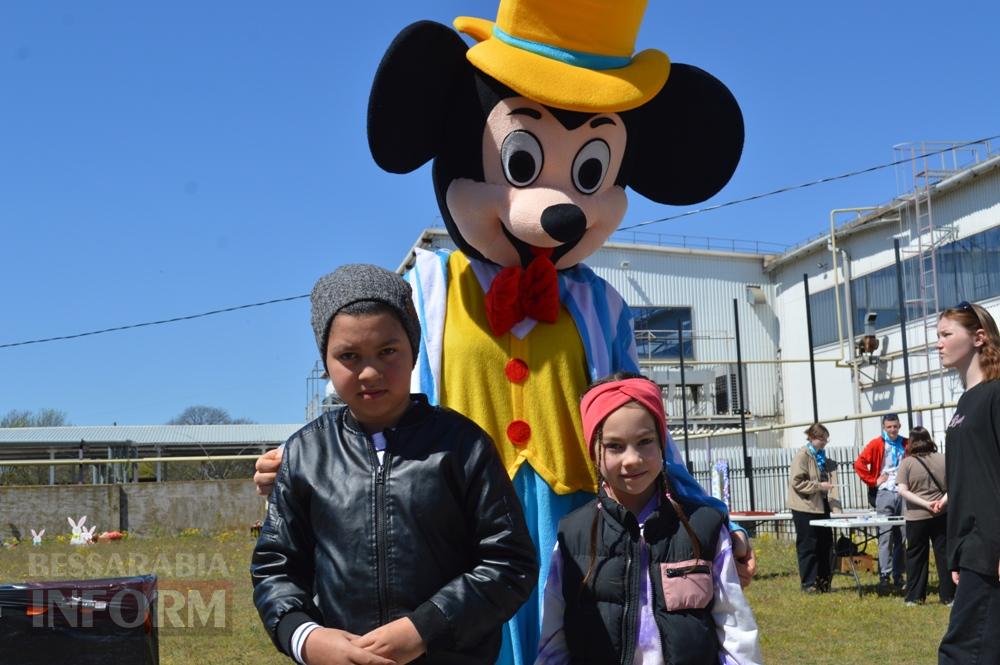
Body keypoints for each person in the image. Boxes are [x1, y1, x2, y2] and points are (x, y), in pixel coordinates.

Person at [251, 264, 537, 665]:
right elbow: (276, 568)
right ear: (325, 362)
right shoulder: (305, 454)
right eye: (349, 356)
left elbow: (509, 561)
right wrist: (305, 637)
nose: (370, 372)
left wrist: (426, 627)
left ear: (414, 349)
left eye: (387, 351)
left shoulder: (463, 446)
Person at [535, 373, 761, 665]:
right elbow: (553, 643)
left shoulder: (704, 528)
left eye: (645, 441)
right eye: (615, 446)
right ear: (593, 451)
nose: (632, 459)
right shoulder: (572, 535)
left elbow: (735, 630)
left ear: (662, 443)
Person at [936, 301, 1000, 664]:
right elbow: (969, 478)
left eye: (947, 334)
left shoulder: (995, 394)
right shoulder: (965, 402)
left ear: (978, 337)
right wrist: (958, 550)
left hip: (990, 547)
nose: (939, 343)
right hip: (971, 547)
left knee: (962, 652)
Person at [895, 426, 954, 607]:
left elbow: (902, 490)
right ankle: (949, 596)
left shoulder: (907, 463)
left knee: (916, 556)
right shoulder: (944, 459)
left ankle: (915, 597)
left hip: (916, 516)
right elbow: (954, 486)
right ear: (929, 439)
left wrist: (925, 504)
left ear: (911, 442)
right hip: (942, 514)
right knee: (944, 555)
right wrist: (940, 502)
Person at [854, 413, 908, 593]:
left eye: (895, 426)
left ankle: (899, 574)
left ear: (899, 426)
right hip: (884, 491)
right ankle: (885, 574)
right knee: (885, 535)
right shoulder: (877, 443)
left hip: (902, 491)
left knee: (902, 536)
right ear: (884, 427)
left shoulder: (906, 443)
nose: (892, 430)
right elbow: (859, 464)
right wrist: (873, 481)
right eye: (889, 427)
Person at [787, 423, 841, 593]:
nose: (824, 442)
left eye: (826, 439)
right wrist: (818, 486)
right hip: (804, 508)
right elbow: (797, 482)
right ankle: (809, 583)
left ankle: (824, 583)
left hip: (822, 506)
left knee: (826, 545)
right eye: (821, 439)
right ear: (811, 437)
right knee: (808, 546)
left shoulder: (822, 458)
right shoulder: (802, 456)